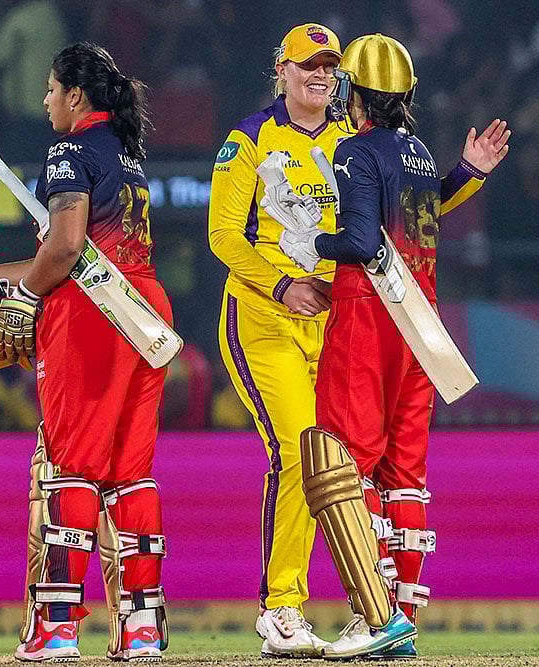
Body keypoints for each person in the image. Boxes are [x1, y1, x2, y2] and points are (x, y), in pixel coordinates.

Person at [0, 42, 171, 663]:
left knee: (72, 468)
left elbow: (62, 254)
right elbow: (81, 255)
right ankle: (142, 625)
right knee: (129, 474)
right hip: (145, 313)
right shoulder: (127, 153)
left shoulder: (69, 149)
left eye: (49, 90)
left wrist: (17, 299)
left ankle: (57, 624)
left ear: (75, 95)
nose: (44, 102)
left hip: (91, 320)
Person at [276, 33, 510, 659]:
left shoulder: (353, 150)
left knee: (339, 461)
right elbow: (424, 211)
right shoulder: (417, 153)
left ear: (355, 93)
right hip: (421, 325)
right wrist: (471, 173)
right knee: (403, 474)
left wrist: (310, 244)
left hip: (367, 313)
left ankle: (374, 618)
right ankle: (401, 614)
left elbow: (357, 241)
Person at [207, 23, 346, 657]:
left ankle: (368, 603)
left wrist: (468, 173)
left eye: (329, 66)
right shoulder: (247, 140)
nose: (320, 74)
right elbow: (224, 238)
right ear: (282, 72)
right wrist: (283, 283)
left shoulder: (355, 140)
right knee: (299, 453)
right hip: (263, 318)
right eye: (308, 65)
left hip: (335, 321)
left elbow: (410, 210)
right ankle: (281, 609)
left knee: (336, 464)